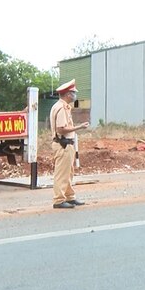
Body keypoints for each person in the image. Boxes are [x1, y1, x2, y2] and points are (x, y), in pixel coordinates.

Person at [49, 79, 90, 209]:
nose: (74, 95)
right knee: (62, 173)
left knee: (68, 172)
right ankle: (59, 200)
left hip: (66, 144)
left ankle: (69, 197)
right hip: (63, 144)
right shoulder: (61, 108)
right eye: (73, 93)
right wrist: (79, 127)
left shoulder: (64, 107)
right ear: (67, 94)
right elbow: (61, 129)